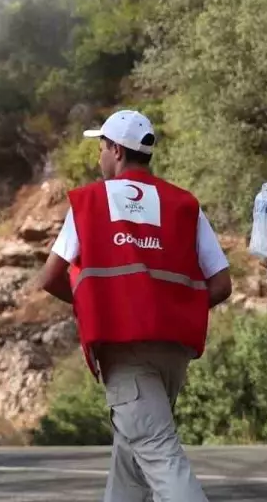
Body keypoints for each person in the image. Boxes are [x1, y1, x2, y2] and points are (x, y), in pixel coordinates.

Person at [37, 110, 232, 502]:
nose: (99, 156)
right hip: (173, 352)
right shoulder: (183, 204)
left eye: (101, 147)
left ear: (116, 151)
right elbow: (221, 283)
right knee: (130, 463)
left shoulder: (90, 202)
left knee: (159, 454)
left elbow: (49, 278)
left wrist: (97, 307)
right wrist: (179, 310)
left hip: (124, 351)